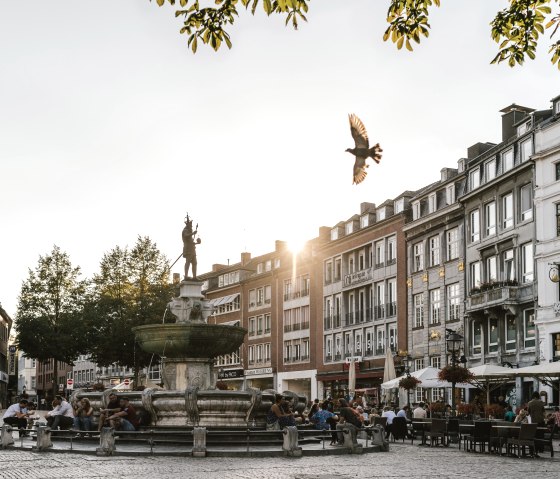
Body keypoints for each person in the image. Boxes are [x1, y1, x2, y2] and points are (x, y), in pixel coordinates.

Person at [182, 215, 200, 280]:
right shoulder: (185, 230)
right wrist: (192, 233)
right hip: (188, 249)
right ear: (188, 225)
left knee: (195, 262)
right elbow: (186, 236)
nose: (191, 226)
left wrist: (197, 243)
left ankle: (194, 277)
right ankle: (186, 276)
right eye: (190, 225)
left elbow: (191, 242)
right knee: (188, 262)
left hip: (192, 249)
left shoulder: (189, 231)